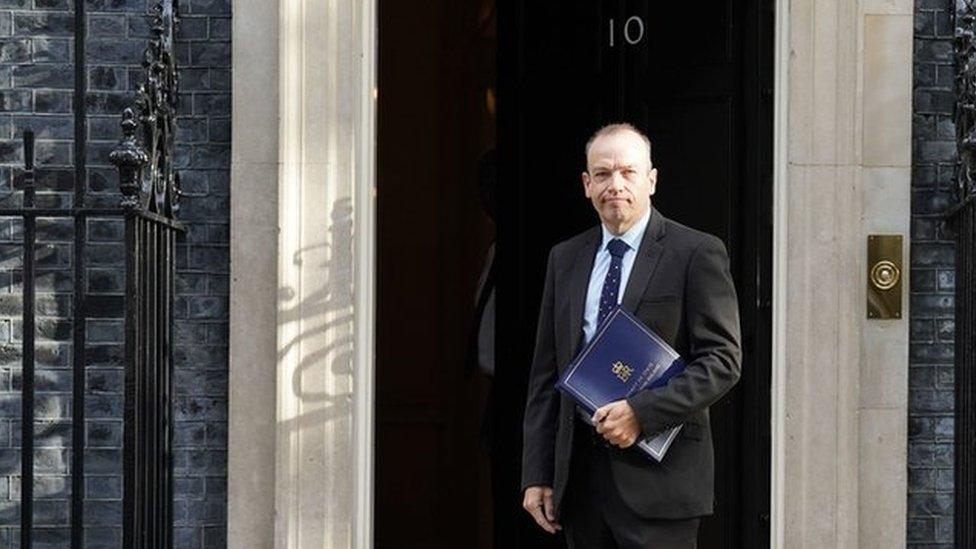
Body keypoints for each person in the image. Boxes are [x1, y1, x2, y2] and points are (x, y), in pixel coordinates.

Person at [520, 123, 742, 548]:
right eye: (602, 174)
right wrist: (538, 473)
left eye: (628, 172)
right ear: (587, 185)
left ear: (652, 180)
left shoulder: (695, 252)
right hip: (581, 480)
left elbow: (723, 362)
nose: (614, 185)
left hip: (662, 480)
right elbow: (546, 376)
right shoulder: (564, 258)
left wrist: (641, 412)